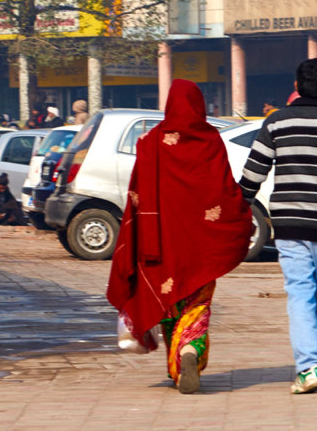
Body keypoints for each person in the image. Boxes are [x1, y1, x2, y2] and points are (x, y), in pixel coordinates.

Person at [106, 80, 252, 394]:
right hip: (203, 244)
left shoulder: (151, 141)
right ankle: (189, 352)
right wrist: (241, 215)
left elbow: (137, 197)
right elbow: (224, 189)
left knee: (169, 301)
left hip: (160, 243)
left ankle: (178, 362)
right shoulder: (210, 140)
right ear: (200, 105)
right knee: (197, 304)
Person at [239, 59, 317, 394]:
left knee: (300, 295)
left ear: (297, 86)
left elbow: (254, 173)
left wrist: (240, 205)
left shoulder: (276, 122)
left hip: (290, 225)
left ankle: (312, 366)